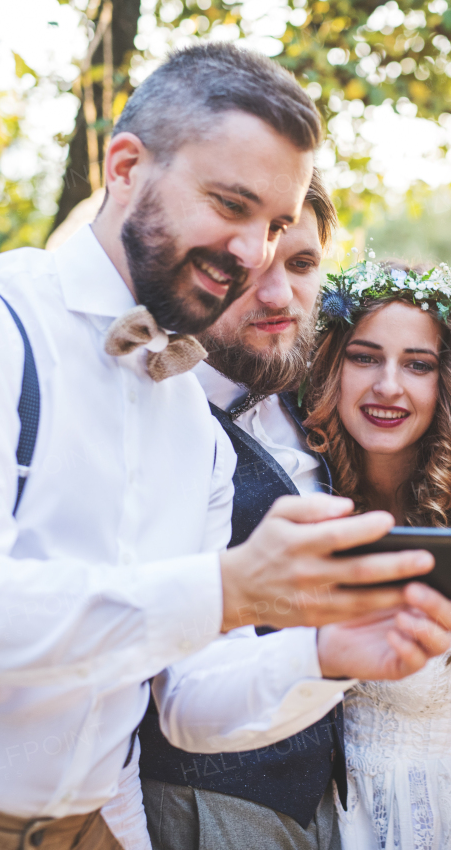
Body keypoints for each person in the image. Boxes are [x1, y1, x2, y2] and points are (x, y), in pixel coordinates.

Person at [0, 44, 451, 850]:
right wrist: (228, 586)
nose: (254, 254)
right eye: (231, 204)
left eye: (277, 225)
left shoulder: (190, 427)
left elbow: (187, 699)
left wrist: (326, 655)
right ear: (126, 165)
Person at [133, 171, 349, 850]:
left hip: (332, 803)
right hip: (203, 797)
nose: (280, 294)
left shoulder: (323, 400)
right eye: (250, 267)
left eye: (303, 263)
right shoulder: (150, 408)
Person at [301, 259, 451, 850]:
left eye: (417, 364)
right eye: (364, 357)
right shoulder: (305, 510)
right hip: (334, 826)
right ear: (332, 367)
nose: (389, 385)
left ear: (446, 385)